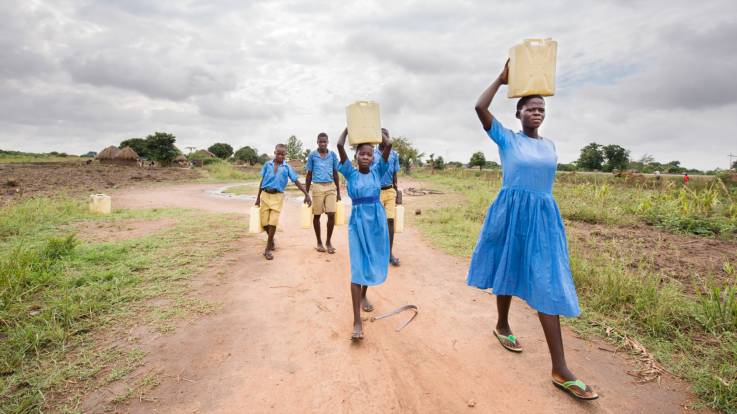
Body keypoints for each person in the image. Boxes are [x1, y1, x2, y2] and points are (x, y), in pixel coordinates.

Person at [467, 60, 598, 400]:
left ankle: (560, 368)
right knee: (506, 268)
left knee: (547, 281)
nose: (537, 113)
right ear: (519, 113)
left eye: (541, 109)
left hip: (542, 218)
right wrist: (501, 77)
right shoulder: (507, 140)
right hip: (511, 214)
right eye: (530, 108)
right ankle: (502, 325)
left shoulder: (550, 146)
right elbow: (480, 107)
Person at [336, 127, 392, 340]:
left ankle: (364, 295)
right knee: (358, 267)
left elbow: (389, 145)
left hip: (376, 223)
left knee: (372, 261)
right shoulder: (350, 172)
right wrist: (350, 128)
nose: (366, 157)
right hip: (358, 223)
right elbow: (340, 145)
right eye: (362, 153)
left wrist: (376, 131)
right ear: (356, 156)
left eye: (370, 153)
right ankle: (357, 321)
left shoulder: (378, 170)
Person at [255, 144, 311, 261]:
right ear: (275, 152)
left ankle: (267, 249)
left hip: (277, 196)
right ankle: (271, 240)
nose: (280, 156)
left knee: (273, 222)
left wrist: (306, 194)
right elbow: (262, 180)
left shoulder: (287, 167)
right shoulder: (267, 165)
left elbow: (296, 181)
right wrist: (258, 197)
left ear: (285, 155)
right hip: (265, 195)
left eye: (282, 154)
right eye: (278, 153)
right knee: (264, 222)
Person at [305, 133, 341, 254]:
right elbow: (309, 174)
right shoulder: (312, 156)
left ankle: (328, 242)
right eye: (320, 142)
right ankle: (319, 242)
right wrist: (306, 193)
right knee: (317, 215)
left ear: (327, 142)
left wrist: (339, 192)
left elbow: (336, 173)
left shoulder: (332, 155)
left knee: (331, 214)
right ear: (317, 142)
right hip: (317, 186)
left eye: (324, 142)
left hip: (331, 186)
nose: (322, 144)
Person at [373, 134, 402, 266]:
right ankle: (377, 252)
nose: (384, 139)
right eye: (382, 136)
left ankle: (389, 253)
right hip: (376, 192)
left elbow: (395, 173)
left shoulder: (394, 154)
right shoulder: (372, 153)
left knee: (390, 221)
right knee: (378, 223)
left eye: (386, 136)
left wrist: (397, 190)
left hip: (390, 191)